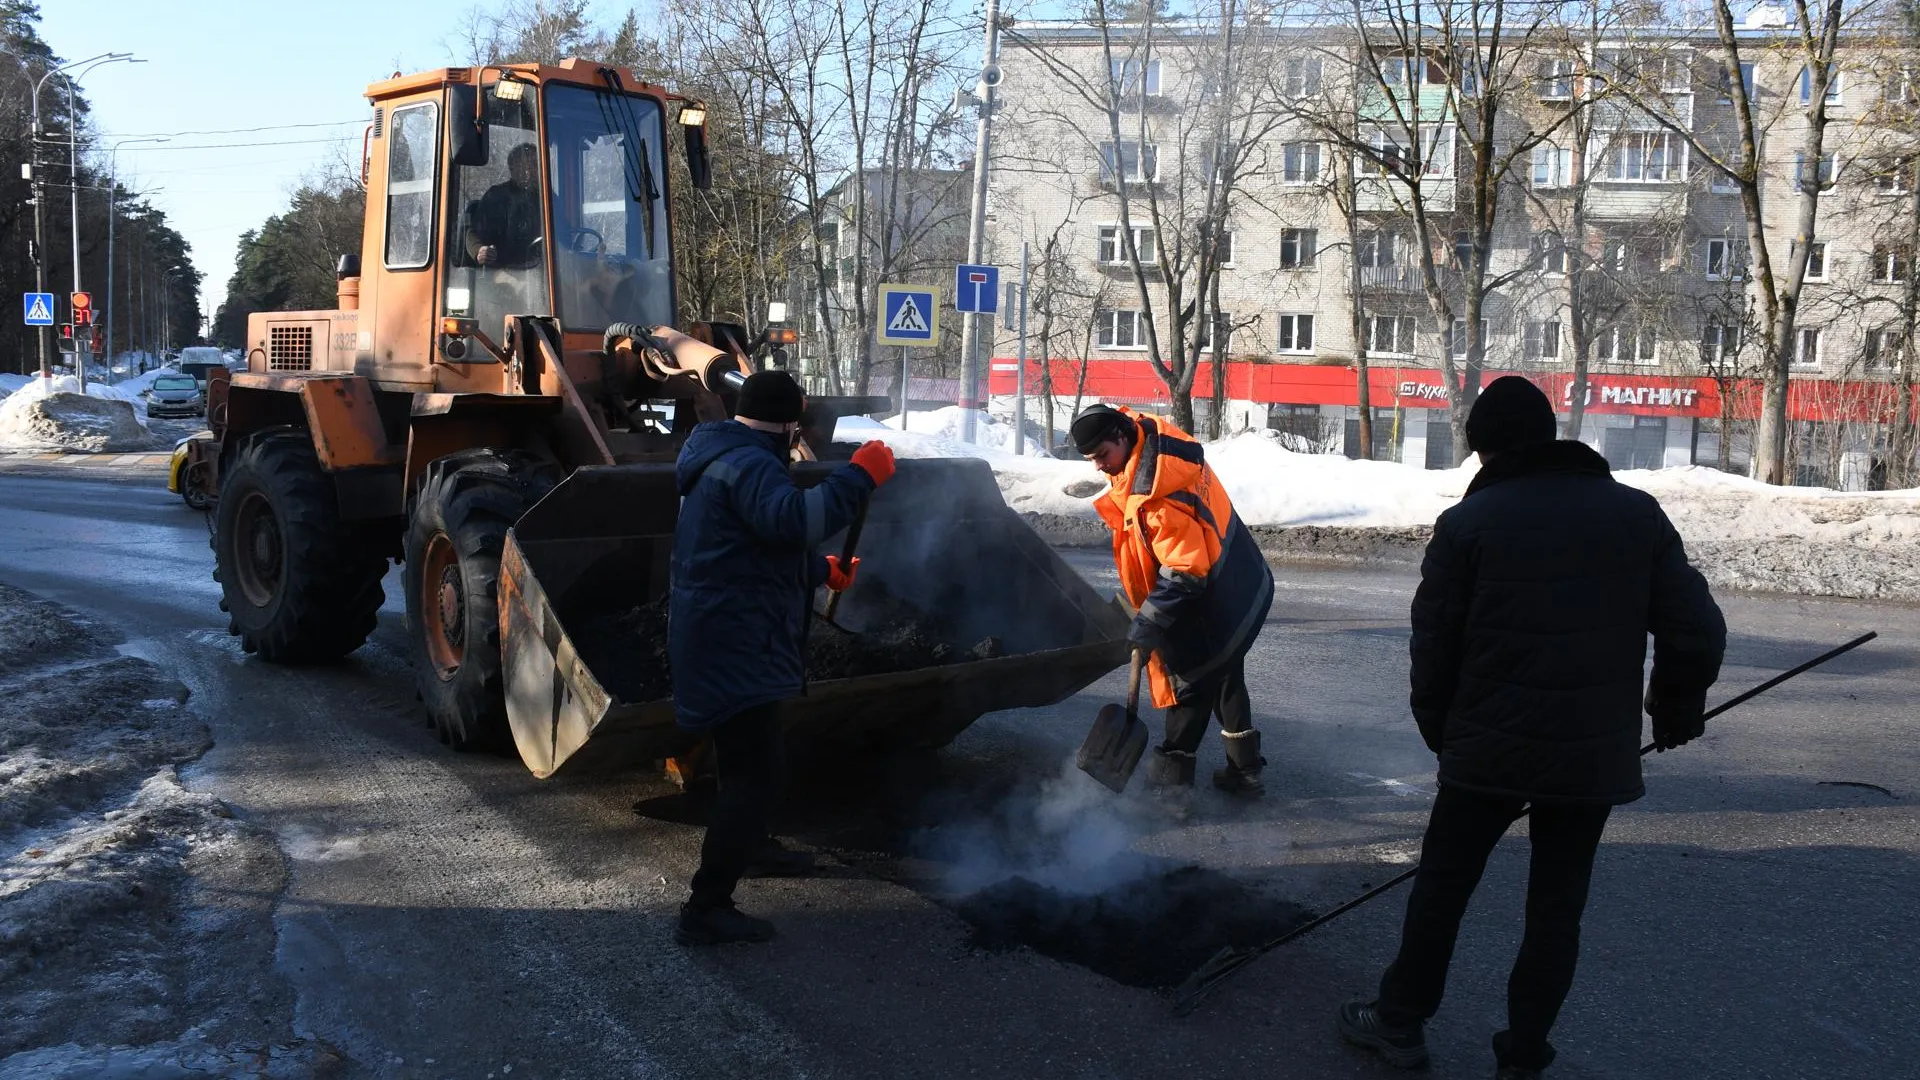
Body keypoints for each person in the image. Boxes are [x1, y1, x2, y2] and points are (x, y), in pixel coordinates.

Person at [1337, 377, 1727, 1079]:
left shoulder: (1468, 526)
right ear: (1549, 435)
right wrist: (1673, 711)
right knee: (1556, 909)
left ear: (1485, 450)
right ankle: (1521, 1056)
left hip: (1484, 749)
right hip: (1588, 761)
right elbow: (1695, 632)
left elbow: (1434, 648)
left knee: (1443, 889)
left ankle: (1398, 1022)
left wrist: (1442, 733)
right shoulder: (1637, 515)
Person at [669, 370, 897, 946]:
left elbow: (746, 554)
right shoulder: (751, 465)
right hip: (736, 641)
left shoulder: (724, 455)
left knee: (753, 762)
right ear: (787, 423)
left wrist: (819, 572)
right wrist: (858, 478)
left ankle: (754, 846)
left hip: (728, 632)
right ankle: (707, 907)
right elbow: (797, 521)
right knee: (755, 771)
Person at [1071, 403, 1275, 805]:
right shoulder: (1154, 441)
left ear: (1121, 436)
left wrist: (1149, 621)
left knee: (1190, 686)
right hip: (1239, 579)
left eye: (1101, 456)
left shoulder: (1157, 496)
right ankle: (1246, 774)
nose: (1098, 467)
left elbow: (1185, 570)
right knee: (1227, 673)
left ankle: (1169, 794)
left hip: (1212, 595)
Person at [465, 143, 544, 269]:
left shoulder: (547, 197)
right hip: (504, 270)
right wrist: (479, 251)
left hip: (542, 267)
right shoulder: (496, 196)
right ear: (513, 168)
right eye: (526, 164)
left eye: (535, 164)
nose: (530, 169)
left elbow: (563, 232)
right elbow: (473, 233)